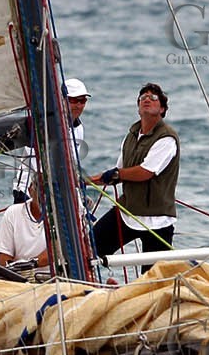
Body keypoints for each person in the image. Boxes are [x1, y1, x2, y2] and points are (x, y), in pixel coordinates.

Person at [90, 82, 179, 258]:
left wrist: (118, 174)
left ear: (162, 109)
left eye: (153, 98)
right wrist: (86, 181)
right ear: (138, 108)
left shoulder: (167, 138)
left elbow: (146, 172)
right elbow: (119, 172)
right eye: (143, 97)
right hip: (127, 212)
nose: (147, 99)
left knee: (152, 278)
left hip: (157, 220)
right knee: (90, 250)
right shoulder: (131, 135)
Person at [12, 77, 91, 202]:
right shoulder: (43, 125)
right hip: (28, 191)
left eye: (83, 101)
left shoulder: (78, 128)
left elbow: (72, 163)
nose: (79, 105)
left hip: (57, 192)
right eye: (74, 100)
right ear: (61, 100)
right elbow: (37, 168)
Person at [0, 180, 50, 270]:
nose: (43, 195)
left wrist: (30, 264)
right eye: (39, 189)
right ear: (30, 190)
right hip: (22, 280)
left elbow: (55, 252)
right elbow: (3, 258)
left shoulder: (61, 215)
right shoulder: (13, 213)